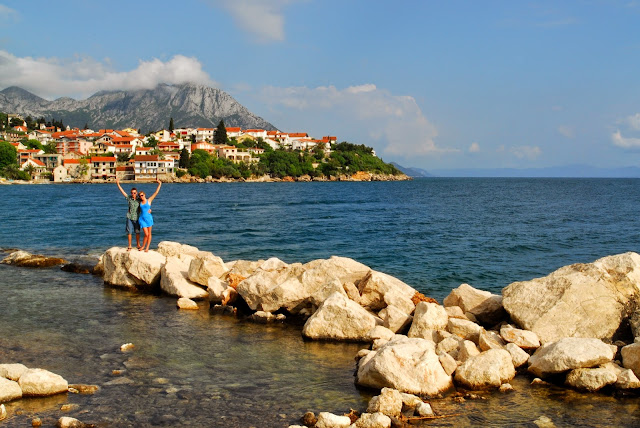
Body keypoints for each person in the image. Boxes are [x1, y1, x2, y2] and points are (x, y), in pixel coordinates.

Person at [116, 177, 142, 251]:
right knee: (129, 232)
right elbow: (123, 192)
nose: (133, 194)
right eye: (132, 193)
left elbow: (145, 203)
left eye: (134, 193)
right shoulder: (129, 198)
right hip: (129, 217)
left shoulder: (139, 199)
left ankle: (138, 245)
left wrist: (149, 210)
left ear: (136, 193)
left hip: (137, 217)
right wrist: (118, 184)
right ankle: (130, 245)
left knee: (137, 232)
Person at [138, 179, 162, 252]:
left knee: (149, 234)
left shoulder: (149, 200)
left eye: (142, 195)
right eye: (140, 196)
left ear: (144, 195)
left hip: (148, 218)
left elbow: (156, 192)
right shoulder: (139, 202)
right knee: (146, 234)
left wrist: (159, 184)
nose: (141, 196)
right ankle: (143, 246)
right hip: (142, 219)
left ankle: (147, 247)